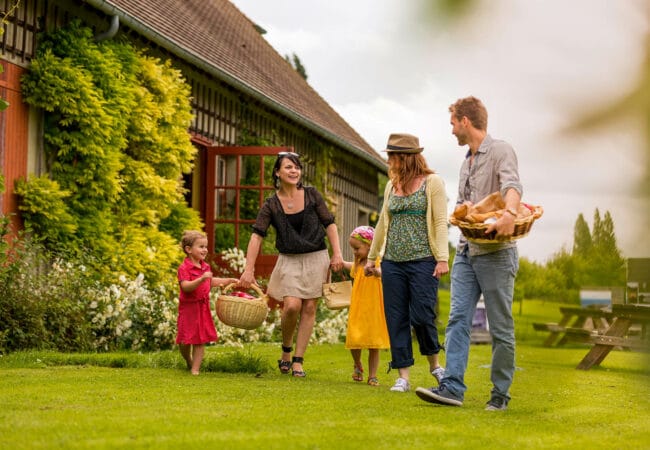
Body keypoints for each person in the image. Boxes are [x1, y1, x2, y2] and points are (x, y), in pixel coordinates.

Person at [416, 96, 523, 411]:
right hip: (466, 251)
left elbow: (512, 187)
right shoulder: (465, 163)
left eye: (452, 123)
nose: (451, 131)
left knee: (500, 327)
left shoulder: (501, 151)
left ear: (465, 121)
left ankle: (500, 394)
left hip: (497, 253)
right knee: (458, 318)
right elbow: (465, 205)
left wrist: (509, 214)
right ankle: (452, 388)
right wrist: (459, 214)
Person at [238, 151, 343, 377]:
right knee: (292, 306)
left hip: (317, 257)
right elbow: (257, 236)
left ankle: (298, 360)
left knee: (310, 307)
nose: (294, 171)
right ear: (277, 172)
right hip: (289, 260)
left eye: (296, 167)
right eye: (288, 167)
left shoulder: (312, 195)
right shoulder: (271, 204)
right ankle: (286, 349)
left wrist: (337, 254)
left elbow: (330, 224)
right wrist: (249, 269)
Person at [364, 133, 449, 393]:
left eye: (392, 155)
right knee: (396, 318)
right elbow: (381, 223)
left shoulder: (432, 182)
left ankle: (435, 365)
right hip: (393, 262)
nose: (388, 160)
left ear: (406, 157)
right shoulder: (392, 185)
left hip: (423, 260)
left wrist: (443, 257)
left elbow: (439, 222)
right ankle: (403, 375)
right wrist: (372, 257)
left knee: (422, 315)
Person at [176, 230, 239, 375]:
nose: (205, 250)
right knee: (185, 340)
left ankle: (195, 370)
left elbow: (211, 282)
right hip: (188, 309)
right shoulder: (184, 268)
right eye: (201, 247)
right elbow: (185, 287)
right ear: (189, 249)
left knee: (199, 340)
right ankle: (188, 360)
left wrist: (227, 280)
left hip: (202, 308)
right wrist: (201, 279)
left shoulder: (205, 267)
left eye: (206, 246)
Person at [342, 226, 390, 386]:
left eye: (357, 248)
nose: (355, 252)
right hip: (358, 309)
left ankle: (373, 375)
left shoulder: (376, 263)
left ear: (370, 246)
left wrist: (376, 272)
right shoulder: (357, 264)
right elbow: (351, 267)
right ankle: (357, 364)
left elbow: (384, 272)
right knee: (355, 339)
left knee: (373, 343)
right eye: (353, 249)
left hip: (373, 309)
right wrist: (340, 263)